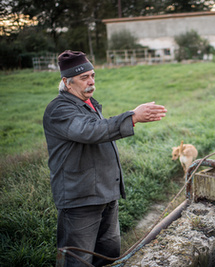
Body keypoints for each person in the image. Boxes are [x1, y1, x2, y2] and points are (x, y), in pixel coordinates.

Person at [43, 50, 167, 266]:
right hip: (80, 198)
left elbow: (99, 129)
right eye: (84, 78)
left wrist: (131, 118)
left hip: (105, 193)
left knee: (108, 253)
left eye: (92, 76)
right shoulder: (59, 109)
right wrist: (133, 116)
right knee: (77, 259)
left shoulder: (89, 103)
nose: (91, 82)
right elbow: (90, 131)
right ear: (67, 82)